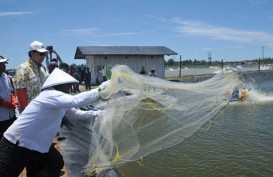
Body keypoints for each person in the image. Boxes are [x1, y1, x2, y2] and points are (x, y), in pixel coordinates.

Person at [0, 68, 111, 177]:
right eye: (68, 85)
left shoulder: (59, 102)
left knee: (54, 162)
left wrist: (100, 114)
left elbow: (77, 114)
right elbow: (75, 101)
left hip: (34, 144)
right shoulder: (50, 95)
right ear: (59, 85)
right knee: (7, 173)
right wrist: (100, 90)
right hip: (16, 143)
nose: (69, 88)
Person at [14, 40, 48, 113]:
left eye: (44, 54)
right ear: (32, 53)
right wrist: (27, 112)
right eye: (41, 54)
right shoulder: (23, 68)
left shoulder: (43, 68)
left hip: (43, 109)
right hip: (31, 112)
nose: (43, 56)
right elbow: (20, 91)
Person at [0, 55, 18, 140]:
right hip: (1, 117)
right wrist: (5, 104)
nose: (4, 66)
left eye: (4, 64)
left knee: (11, 137)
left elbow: (11, 91)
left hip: (11, 114)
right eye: (1, 64)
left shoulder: (6, 76)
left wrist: (13, 100)